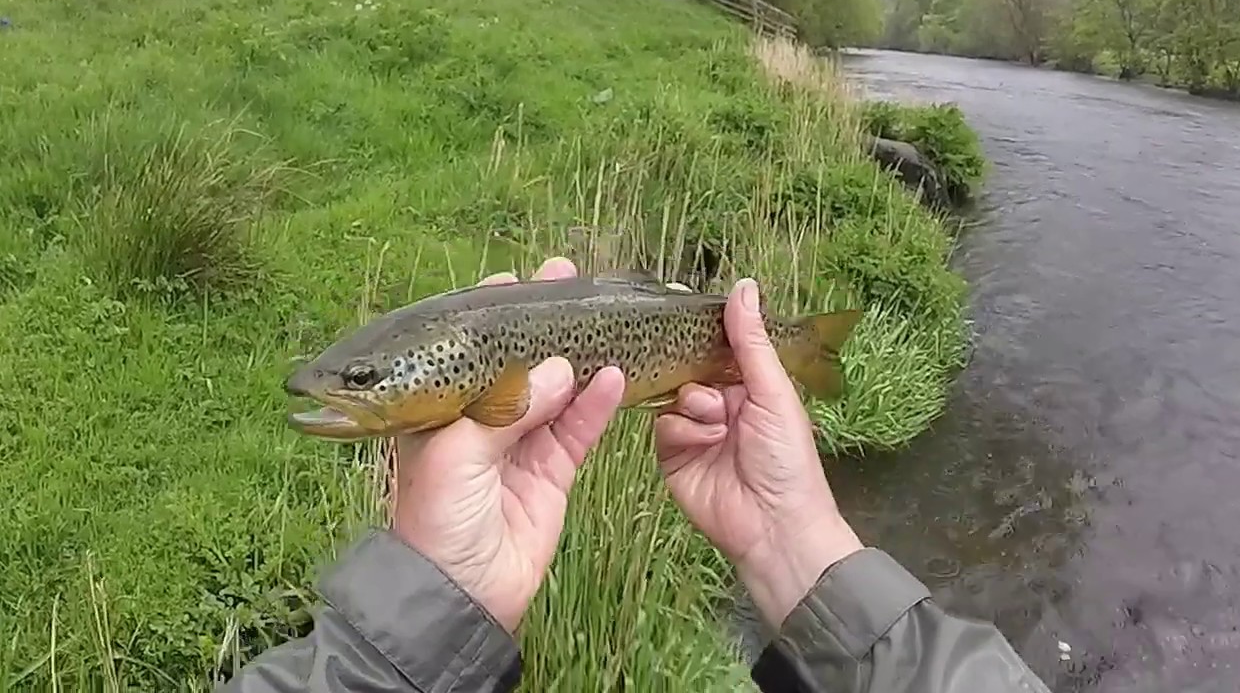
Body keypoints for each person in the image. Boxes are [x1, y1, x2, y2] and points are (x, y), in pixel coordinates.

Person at [221, 258, 1050, 693]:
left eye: (365, 383)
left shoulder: (490, 377)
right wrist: (793, 543)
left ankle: (799, 346)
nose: (345, 396)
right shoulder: (461, 346)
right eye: (361, 381)